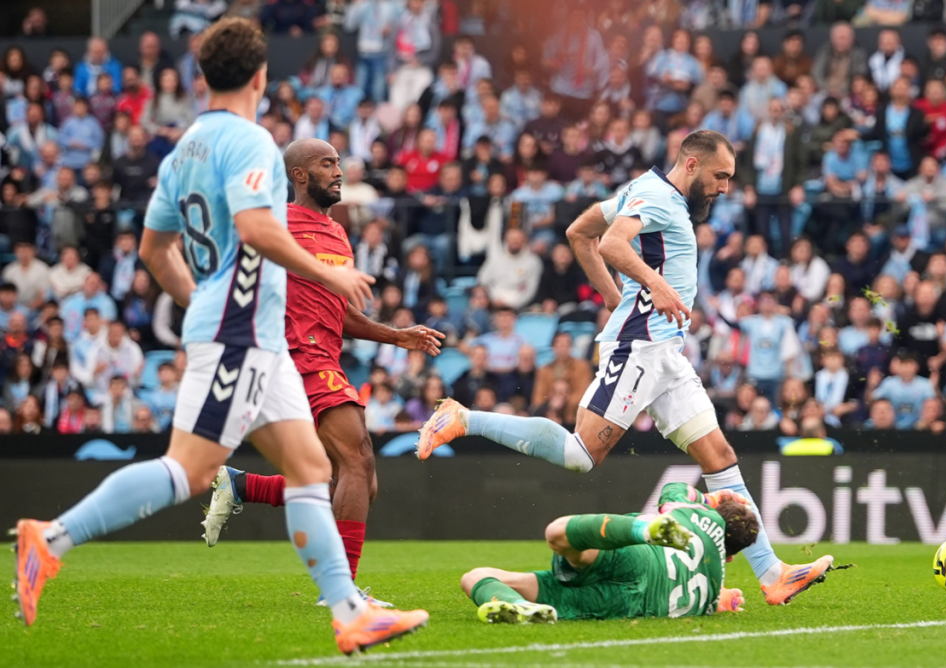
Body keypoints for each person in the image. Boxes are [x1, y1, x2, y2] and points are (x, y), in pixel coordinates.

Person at [12, 19, 427, 654]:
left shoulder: (183, 151)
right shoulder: (253, 143)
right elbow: (260, 231)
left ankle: (348, 610)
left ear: (202, 77)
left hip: (248, 332)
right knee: (188, 469)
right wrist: (328, 276)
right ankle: (52, 537)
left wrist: (199, 297)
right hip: (240, 335)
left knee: (316, 468)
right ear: (260, 77)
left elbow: (154, 250)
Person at [418, 131, 834, 606]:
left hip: (664, 353)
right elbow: (612, 245)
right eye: (720, 177)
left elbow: (580, 232)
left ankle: (772, 574)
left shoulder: (646, 190)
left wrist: (619, 300)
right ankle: (463, 417)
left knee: (719, 457)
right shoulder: (657, 196)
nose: (725, 188)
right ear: (693, 165)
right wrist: (651, 286)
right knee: (580, 455)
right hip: (638, 348)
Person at [200, 138, 444, 595]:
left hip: (322, 355)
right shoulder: (279, 224)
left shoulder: (336, 234)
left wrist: (398, 335)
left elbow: (343, 313)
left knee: (351, 479)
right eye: (326, 163)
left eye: (338, 163)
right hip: (294, 356)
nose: (338, 171)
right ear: (299, 175)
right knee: (358, 459)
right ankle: (340, 590)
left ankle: (242, 486)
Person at [460, 483, 753, 624]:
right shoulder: (714, 587)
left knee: (556, 533)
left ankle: (643, 530)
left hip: (640, 558)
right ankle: (519, 607)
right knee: (475, 577)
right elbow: (716, 599)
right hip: (629, 604)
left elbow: (673, 490)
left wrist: (711, 497)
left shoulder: (704, 517)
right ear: (730, 556)